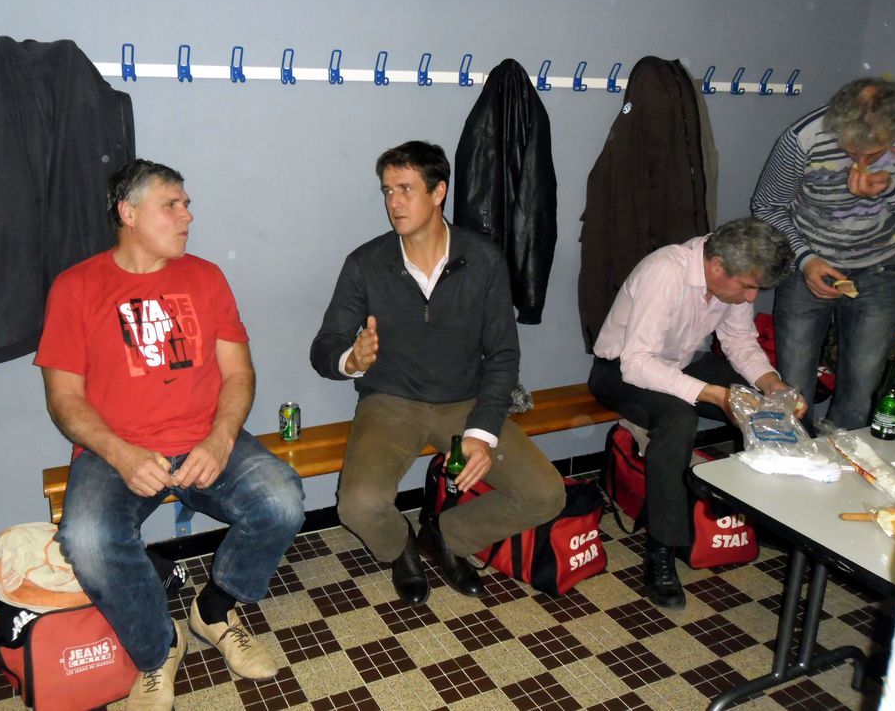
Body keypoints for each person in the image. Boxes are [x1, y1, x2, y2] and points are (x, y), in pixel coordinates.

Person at [35, 159, 304, 710]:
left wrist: (220, 439)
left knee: (282, 500)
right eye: (172, 205)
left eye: (186, 204)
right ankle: (158, 651)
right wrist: (121, 453)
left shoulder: (206, 278)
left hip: (205, 438)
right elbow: (64, 401)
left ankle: (214, 612)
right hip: (117, 450)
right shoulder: (75, 287)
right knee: (86, 541)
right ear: (127, 213)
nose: (188, 215)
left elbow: (239, 374)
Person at [310, 140, 566, 607]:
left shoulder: (483, 259)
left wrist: (483, 431)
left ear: (439, 192)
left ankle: (446, 536)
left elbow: (504, 355)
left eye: (406, 189)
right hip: (391, 401)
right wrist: (352, 359)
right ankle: (400, 546)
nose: (394, 203)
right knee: (359, 504)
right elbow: (323, 348)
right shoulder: (366, 264)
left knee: (546, 494)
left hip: (465, 401)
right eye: (387, 191)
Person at [588, 218, 805, 609]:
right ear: (718, 265)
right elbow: (637, 364)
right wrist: (714, 395)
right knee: (679, 420)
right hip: (619, 371)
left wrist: (773, 385)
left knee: (765, 404)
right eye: (747, 286)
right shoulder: (665, 272)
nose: (751, 296)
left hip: (681, 362)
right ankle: (662, 551)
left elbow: (739, 340)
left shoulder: (729, 275)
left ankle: (766, 516)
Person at [752, 77, 895, 432]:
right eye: (853, 150)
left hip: (882, 267)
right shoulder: (803, 138)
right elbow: (767, 206)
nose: (862, 161)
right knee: (793, 386)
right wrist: (806, 260)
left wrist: (891, 189)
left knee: (862, 384)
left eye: (874, 152)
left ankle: (844, 470)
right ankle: (795, 466)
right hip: (807, 264)